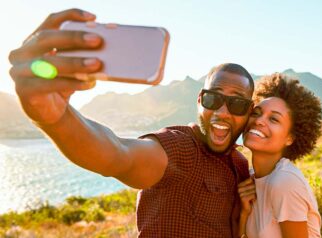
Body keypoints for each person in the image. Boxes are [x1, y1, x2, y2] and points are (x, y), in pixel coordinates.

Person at [8, 9, 254, 237]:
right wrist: (56, 119)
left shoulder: (240, 165)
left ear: (249, 112)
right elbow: (118, 154)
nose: (222, 112)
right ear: (200, 100)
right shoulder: (180, 148)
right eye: (214, 99)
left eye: (237, 105)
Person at [237, 73, 322, 238]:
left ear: (290, 138)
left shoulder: (284, 182)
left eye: (274, 119)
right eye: (256, 113)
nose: (259, 121)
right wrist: (243, 213)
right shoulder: (251, 179)